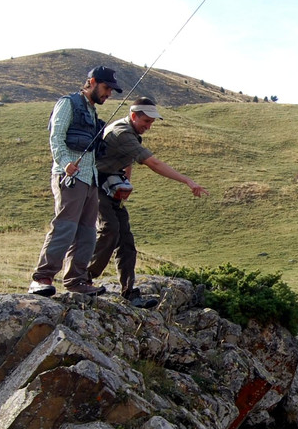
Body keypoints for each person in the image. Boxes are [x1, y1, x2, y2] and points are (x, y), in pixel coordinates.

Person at [87, 97, 209, 308]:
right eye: (146, 121)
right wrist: (188, 181)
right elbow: (153, 163)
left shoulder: (130, 132)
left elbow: (127, 161)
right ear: (134, 116)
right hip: (95, 186)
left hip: (112, 188)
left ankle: (129, 292)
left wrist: (125, 185)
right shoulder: (123, 133)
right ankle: (85, 276)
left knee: (126, 240)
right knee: (110, 229)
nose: (149, 126)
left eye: (152, 122)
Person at [28, 65, 122, 297]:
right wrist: (64, 163)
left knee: (88, 233)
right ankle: (42, 278)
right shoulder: (67, 103)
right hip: (70, 176)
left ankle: (76, 281)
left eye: (111, 89)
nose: (108, 93)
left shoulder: (92, 111)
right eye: (106, 87)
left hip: (89, 179)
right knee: (65, 226)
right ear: (91, 82)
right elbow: (56, 137)